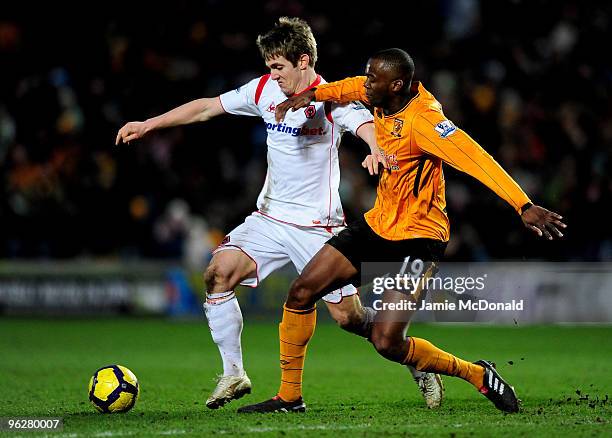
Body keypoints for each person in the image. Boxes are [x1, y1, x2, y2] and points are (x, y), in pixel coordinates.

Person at [116, 23, 443, 410]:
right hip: (268, 219)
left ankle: (414, 360)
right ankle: (233, 372)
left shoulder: (330, 98)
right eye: (269, 67)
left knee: (349, 319)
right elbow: (207, 107)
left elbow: (366, 124)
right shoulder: (262, 90)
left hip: (318, 227)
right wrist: (149, 124)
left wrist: (375, 148)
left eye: (278, 67)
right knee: (217, 274)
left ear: (303, 61)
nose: (273, 75)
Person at [238, 48, 566, 414]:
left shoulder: (424, 121)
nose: (366, 84)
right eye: (367, 75)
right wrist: (309, 95)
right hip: (379, 225)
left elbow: (476, 158)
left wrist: (523, 204)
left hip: (419, 239)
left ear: (396, 85)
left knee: (387, 341)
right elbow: (344, 88)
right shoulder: (378, 94)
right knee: (300, 293)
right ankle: (289, 397)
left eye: (373, 79)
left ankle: (476, 374)